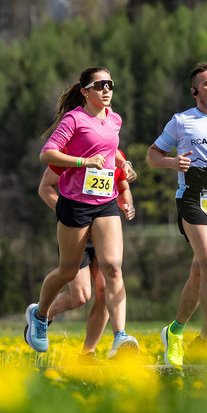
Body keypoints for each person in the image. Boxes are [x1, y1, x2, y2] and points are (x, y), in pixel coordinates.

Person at [26, 67, 139, 358]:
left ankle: (120, 337)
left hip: (105, 203)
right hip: (75, 204)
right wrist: (83, 162)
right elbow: (46, 154)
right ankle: (39, 316)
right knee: (67, 271)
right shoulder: (74, 118)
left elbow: (109, 147)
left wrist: (122, 165)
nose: (106, 89)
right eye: (99, 85)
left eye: (110, 84)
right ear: (85, 91)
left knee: (113, 267)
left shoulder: (114, 119)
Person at [147, 63, 207, 367]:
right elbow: (153, 155)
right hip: (193, 199)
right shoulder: (182, 121)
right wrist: (172, 163)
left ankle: (174, 332)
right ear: (195, 91)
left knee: (200, 273)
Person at [38, 150, 135, 362]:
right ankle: (44, 313)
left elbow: (122, 186)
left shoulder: (113, 153)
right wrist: (67, 214)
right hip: (76, 228)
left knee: (104, 289)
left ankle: (87, 353)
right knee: (80, 296)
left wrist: (127, 204)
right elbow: (44, 188)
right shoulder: (73, 151)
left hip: (103, 228)